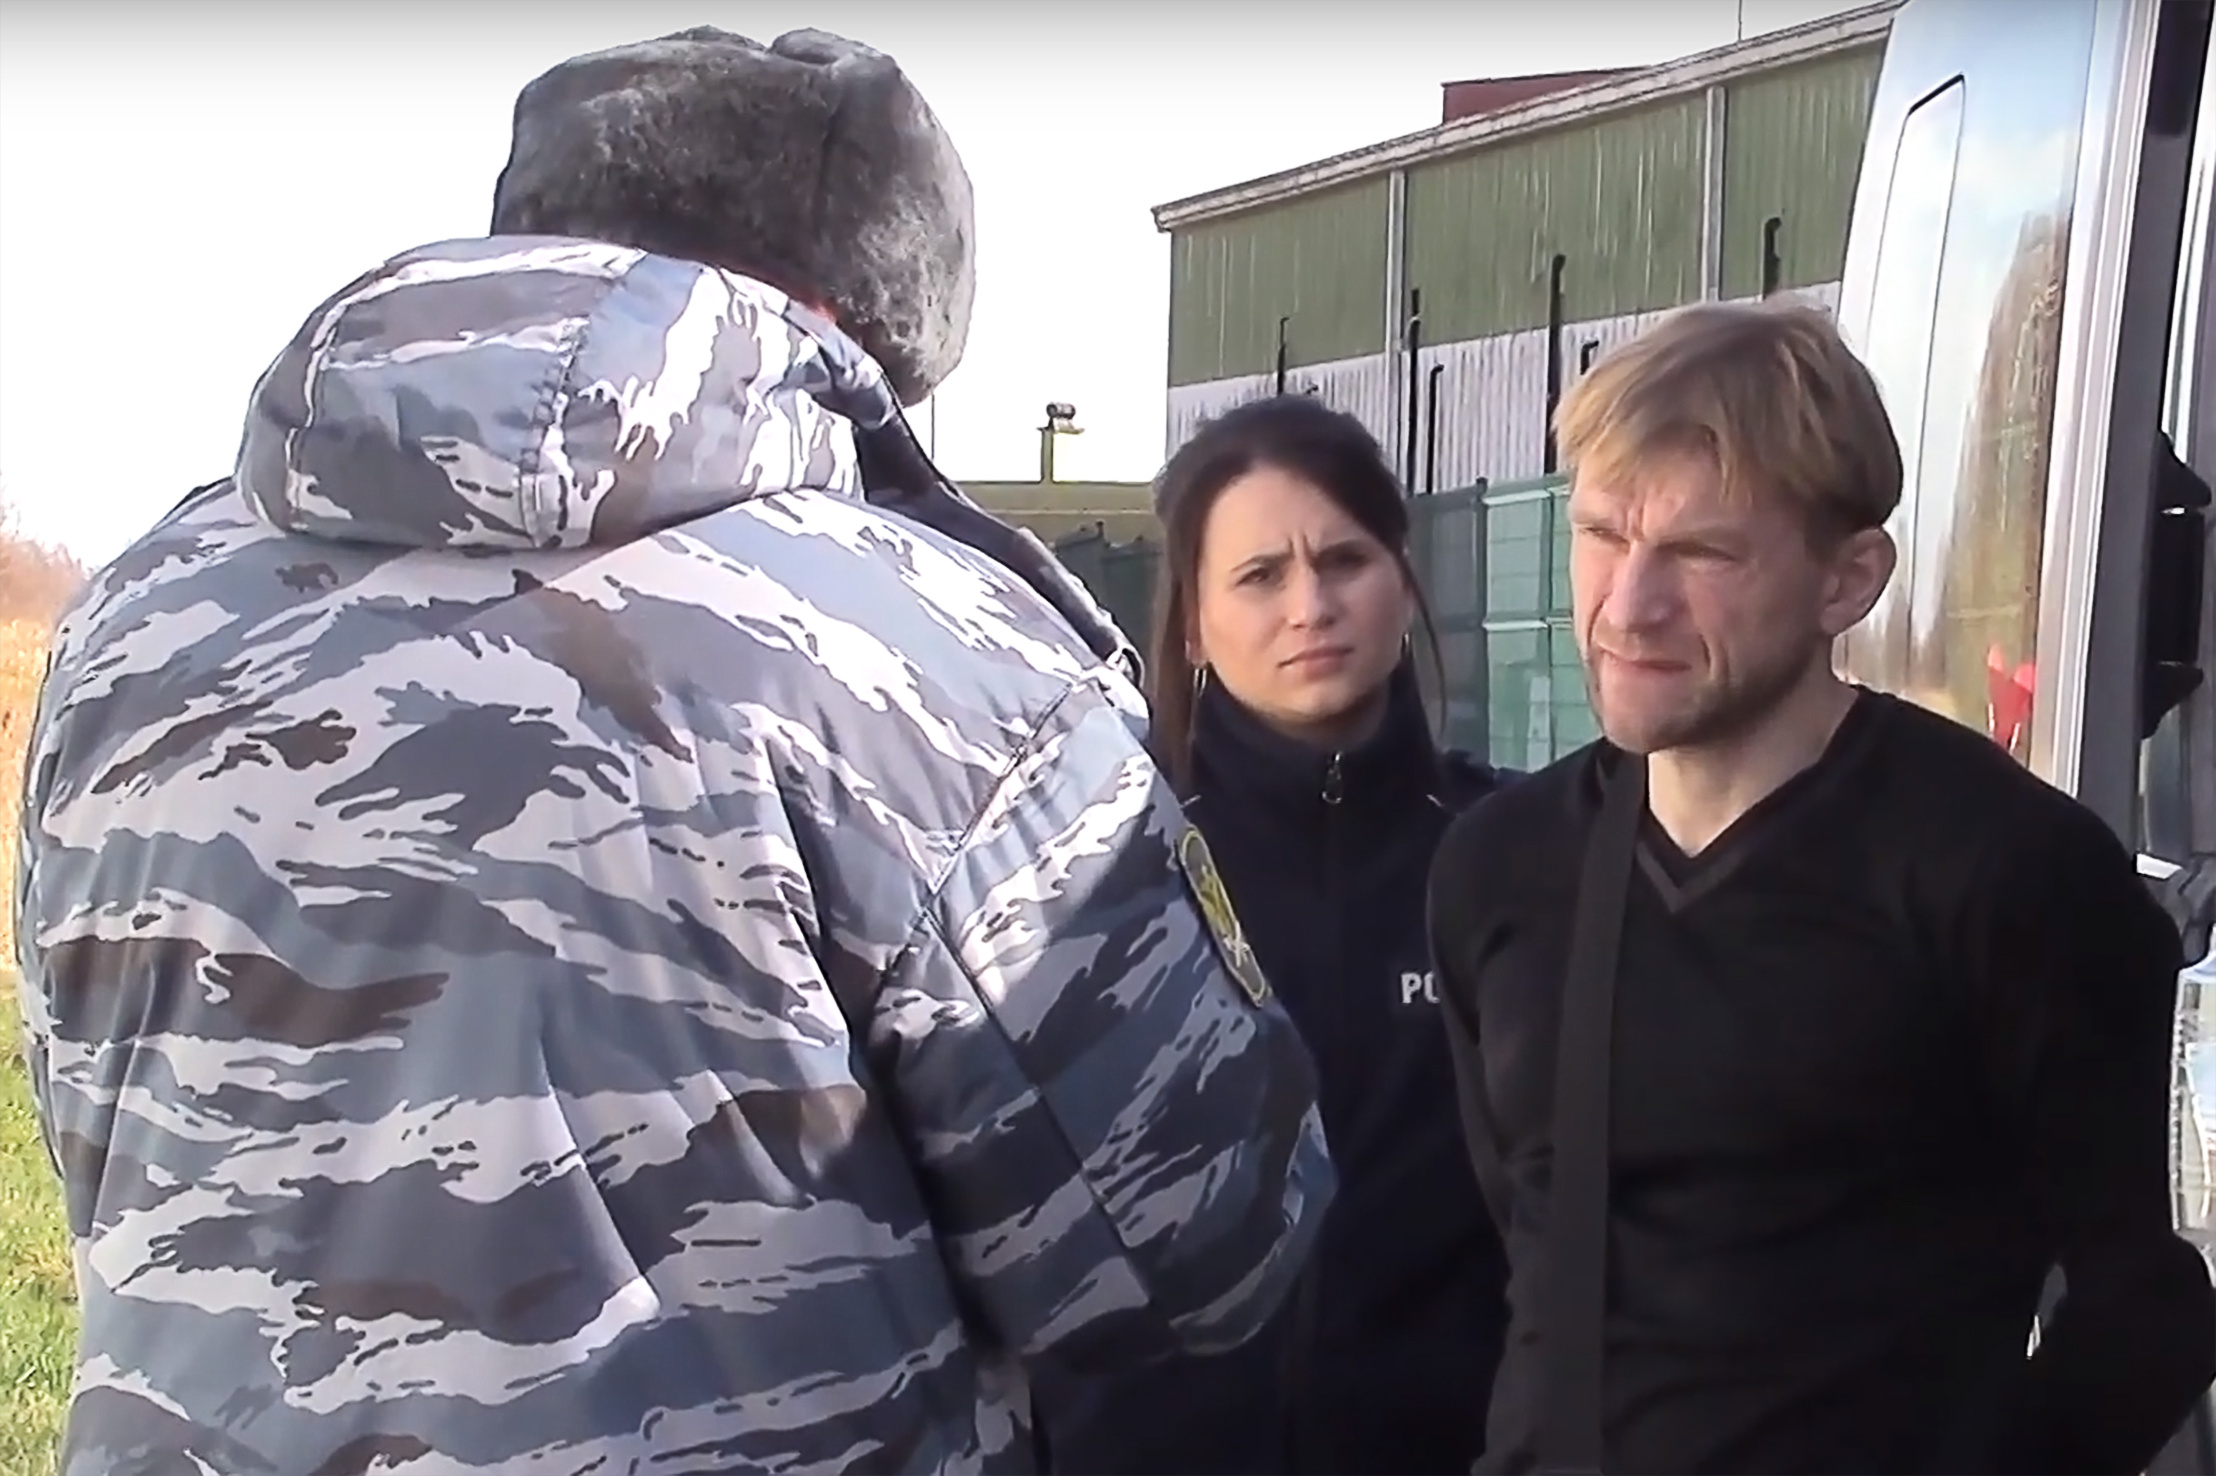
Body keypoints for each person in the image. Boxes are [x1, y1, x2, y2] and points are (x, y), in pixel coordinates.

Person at [10, 28, 1336, 1476]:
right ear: (829, 321)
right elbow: (1196, 1235)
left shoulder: (135, 618)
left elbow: (96, 1121)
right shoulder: (919, 653)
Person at [1428, 298, 2216, 1474]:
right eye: (1598, 533)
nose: (1626, 606)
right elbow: (1525, 1257)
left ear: (1846, 581)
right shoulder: (1498, 867)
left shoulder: (2005, 872)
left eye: (1699, 553)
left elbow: (2143, 1311)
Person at [1037, 395, 1514, 1474]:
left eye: (1344, 561)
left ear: (1403, 581)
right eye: (1259, 576)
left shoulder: (1508, 857)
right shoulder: (1096, 871)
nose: (1310, 606)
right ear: (1192, 623)